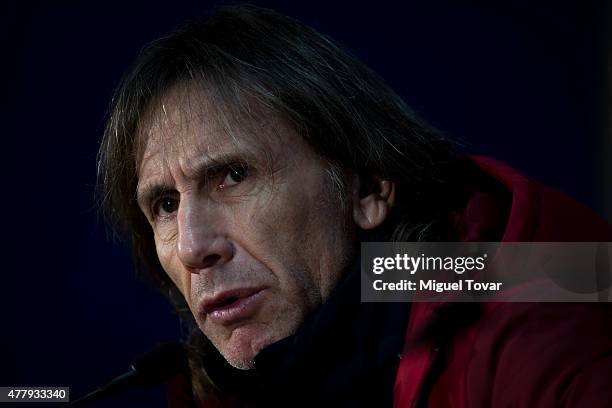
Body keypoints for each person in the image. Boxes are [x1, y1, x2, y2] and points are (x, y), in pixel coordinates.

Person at [97, 5, 612, 407]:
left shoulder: (538, 323)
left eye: (234, 175)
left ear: (367, 189)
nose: (191, 247)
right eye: (165, 204)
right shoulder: (222, 382)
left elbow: (563, 282)